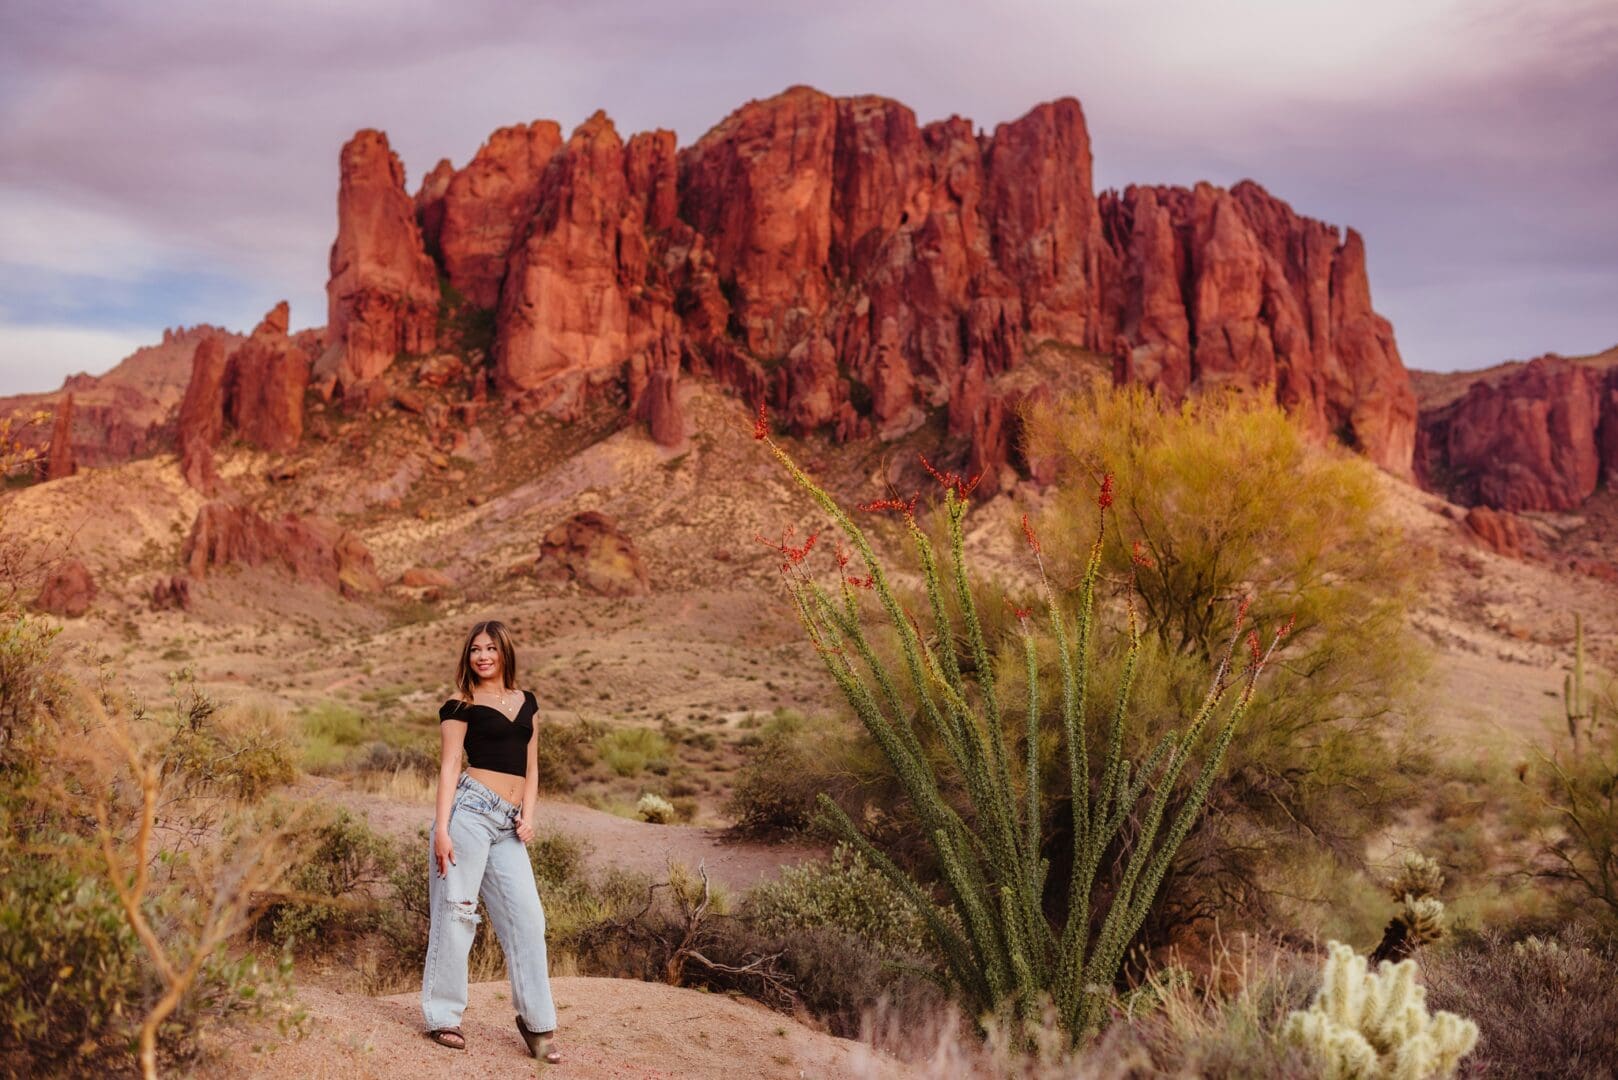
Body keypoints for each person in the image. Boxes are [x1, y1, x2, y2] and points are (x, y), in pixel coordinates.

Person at [421, 618, 560, 1063]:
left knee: (528, 919)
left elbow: (532, 767)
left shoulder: (527, 703)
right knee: (458, 912)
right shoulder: (460, 705)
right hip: (470, 815)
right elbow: (447, 768)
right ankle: (443, 1017)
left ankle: (537, 1025)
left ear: (504, 653)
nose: (482, 656)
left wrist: (529, 817)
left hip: (509, 824)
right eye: (475, 650)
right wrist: (442, 829)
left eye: (490, 649)